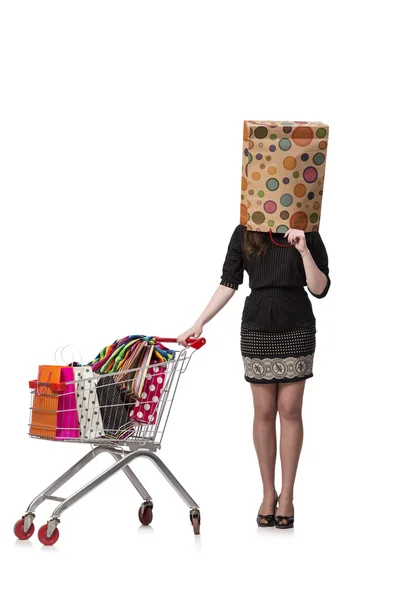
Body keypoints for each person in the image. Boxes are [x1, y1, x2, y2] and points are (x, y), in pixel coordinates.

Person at [177, 224, 331, 529]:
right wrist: (200, 322)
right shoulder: (243, 232)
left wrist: (302, 249)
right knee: (263, 411)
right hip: (257, 327)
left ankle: (286, 495)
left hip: (296, 326)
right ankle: (267, 493)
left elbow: (320, 288)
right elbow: (228, 282)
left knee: (289, 411)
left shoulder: (307, 230)